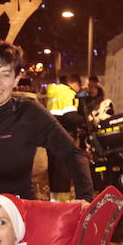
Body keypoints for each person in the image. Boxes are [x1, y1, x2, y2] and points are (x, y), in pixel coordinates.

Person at [0, 42, 92, 202]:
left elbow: (74, 154)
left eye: (6, 74)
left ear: (16, 79)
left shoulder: (29, 113)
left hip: (20, 210)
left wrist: (85, 198)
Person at [44, 73, 87, 201]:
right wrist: (86, 121)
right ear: (75, 84)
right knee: (63, 172)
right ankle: (63, 204)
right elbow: (70, 116)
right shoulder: (68, 93)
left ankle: (55, 202)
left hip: (50, 137)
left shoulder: (55, 93)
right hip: (63, 137)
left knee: (55, 172)